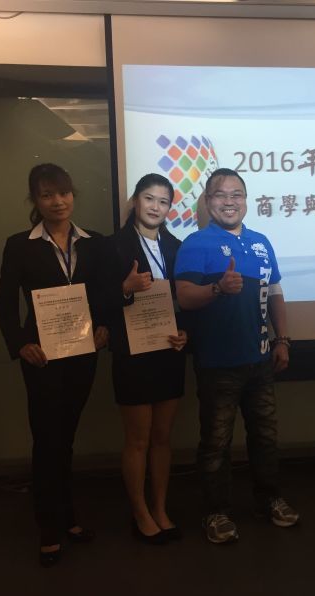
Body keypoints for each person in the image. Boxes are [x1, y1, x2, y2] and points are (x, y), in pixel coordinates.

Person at [0, 163, 110, 567]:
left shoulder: (93, 243)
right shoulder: (20, 245)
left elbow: (104, 295)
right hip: (42, 357)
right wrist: (20, 344)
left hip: (81, 354)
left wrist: (105, 327)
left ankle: (68, 517)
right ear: (35, 200)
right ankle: (48, 524)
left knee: (67, 437)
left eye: (63, 193)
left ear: (73, 194)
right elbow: (4, 302)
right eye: (46, 195)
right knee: (47, 439)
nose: (57, 202)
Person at [174, 167, 299, 544]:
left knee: (265, 437)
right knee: (216, 443)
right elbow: (182, 296)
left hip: (260, 359)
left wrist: (283, 339)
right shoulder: (196, 243)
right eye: (220, 195)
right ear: (208, 202)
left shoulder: (261, 242)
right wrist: (217, 288)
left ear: (246, 200)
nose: (229, 201)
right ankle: (216, 511)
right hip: (218, 364)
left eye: (237, 194)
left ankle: (269, 499)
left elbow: (275, 292)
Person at [107, 174, 188, 545]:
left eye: (163, 201)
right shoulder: (114, 247)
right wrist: (125, 289)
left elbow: (184, 301)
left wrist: (186, 332)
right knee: (137, 440)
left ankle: (160, 507)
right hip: (132, 354)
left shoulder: (177, 246)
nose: (155, 207)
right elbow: (98, 305)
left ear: (170, 208)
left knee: (162, 438)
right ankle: (139, 511)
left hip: (168, 351)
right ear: (135, 201)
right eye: (148, 198)